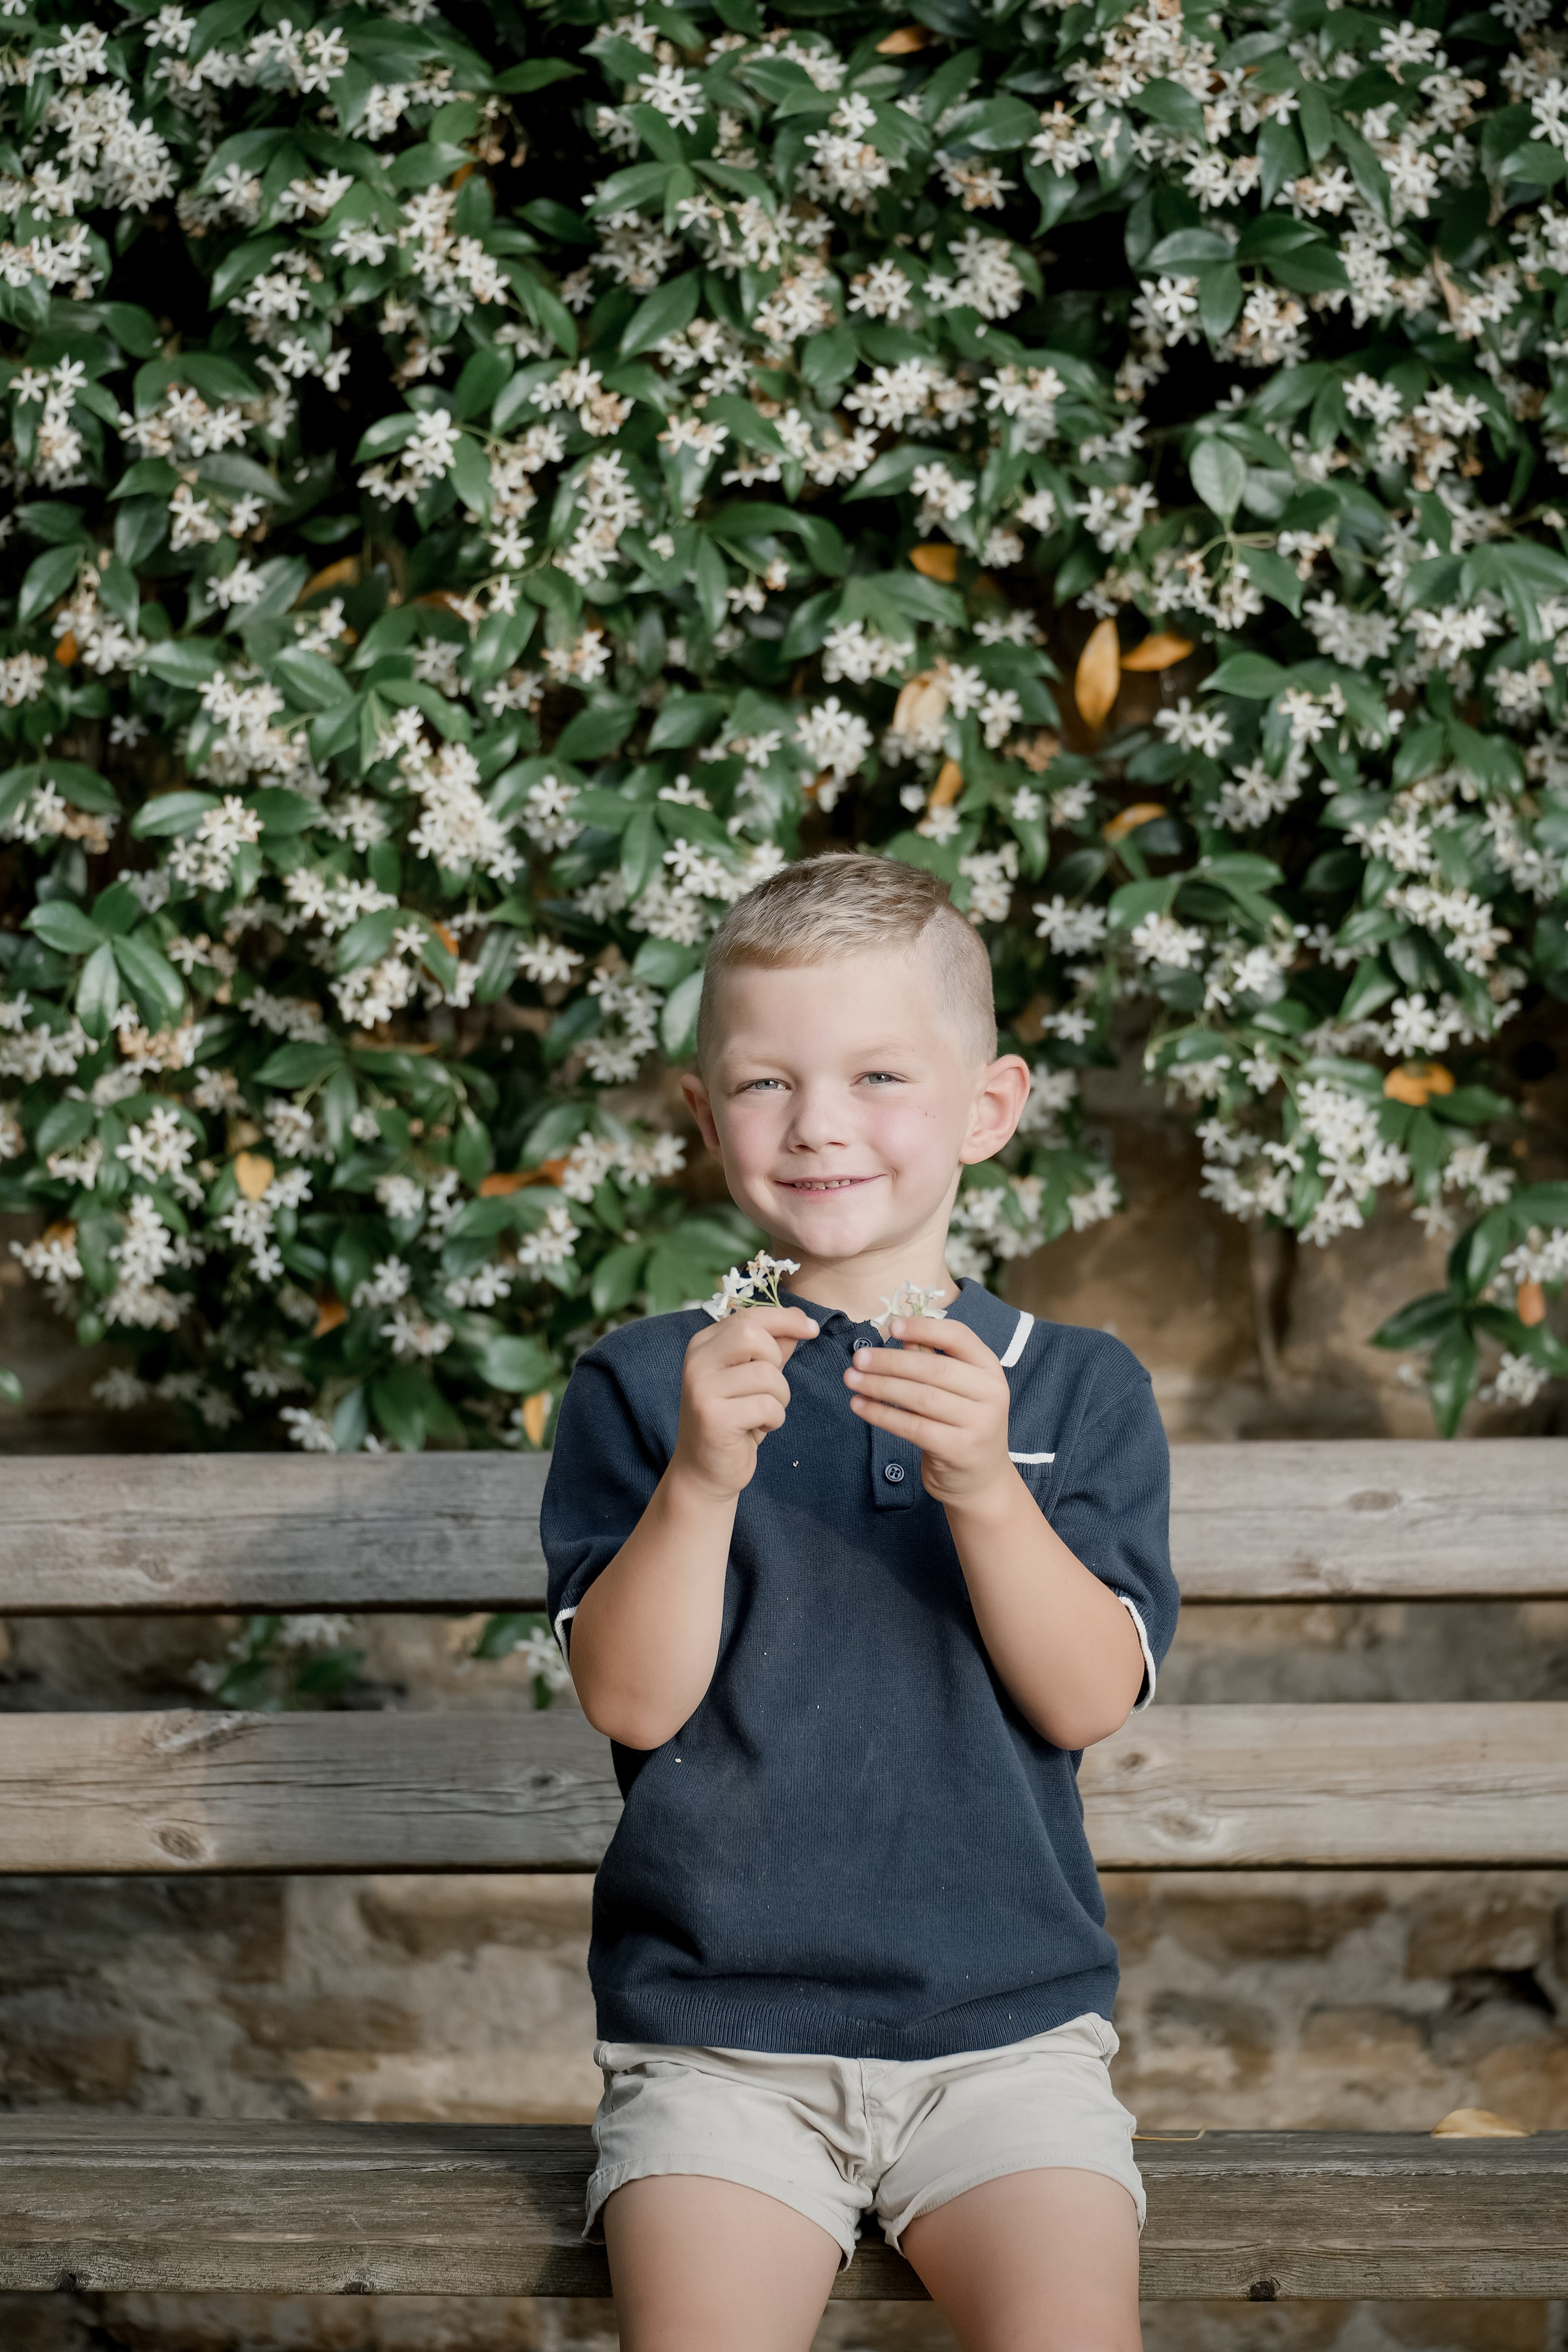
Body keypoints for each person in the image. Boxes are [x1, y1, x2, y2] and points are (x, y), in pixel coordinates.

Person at [541, 852, 1178, 2352]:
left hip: (1008, 2040)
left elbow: (1086, 1698)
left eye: (878, 1073)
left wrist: (983, 1490)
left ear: (987, 1107)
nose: (818, 1122)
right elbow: (631, 1703)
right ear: (704, 1119)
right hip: (716, 2044)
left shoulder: (1073, 1390)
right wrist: (699, 1482)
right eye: (764, 1084)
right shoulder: (647, 1386)